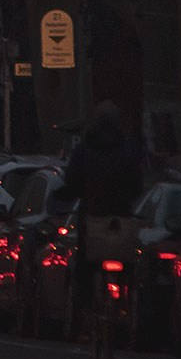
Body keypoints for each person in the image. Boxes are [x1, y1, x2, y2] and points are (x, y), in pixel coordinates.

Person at [59, 102, 145, 336]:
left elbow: (72, 180)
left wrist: (76, 193)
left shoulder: (85, 149)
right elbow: (138, 184)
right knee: (127, 261)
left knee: (86, 261)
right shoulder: (127, 149)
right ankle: (128, 302)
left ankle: (87, 307)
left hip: (94, 213)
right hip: (121, 216)